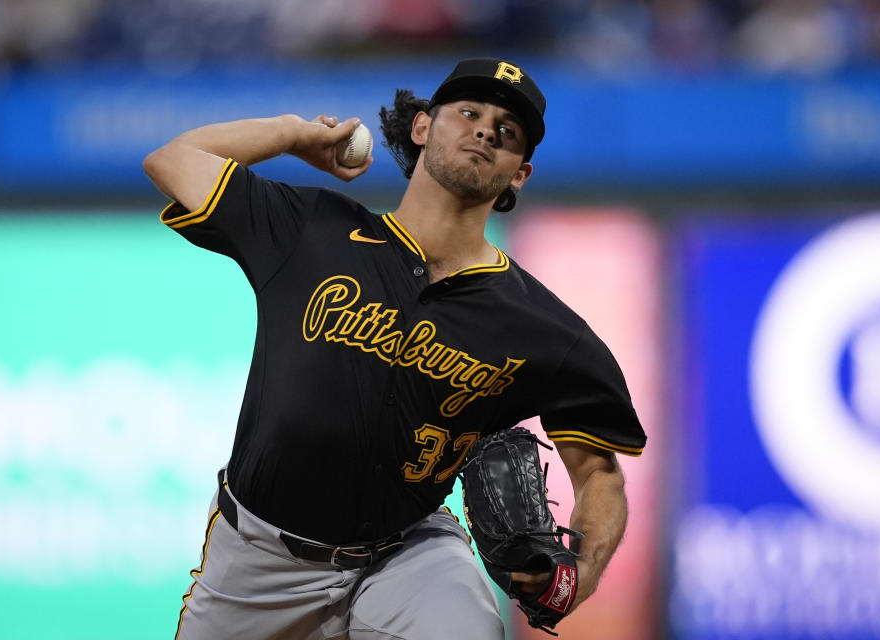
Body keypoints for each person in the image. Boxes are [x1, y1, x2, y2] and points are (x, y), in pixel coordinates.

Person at [143, 57, 646, 640]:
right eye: (469, 113)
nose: (486, 130)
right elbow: (172, 161)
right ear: (423, 127)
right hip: (259, 562)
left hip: (408, 553)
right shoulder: (311, 228)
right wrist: (293, 132)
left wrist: (580, 574)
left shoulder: (545, 328)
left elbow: (599, 473)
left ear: (519, 175)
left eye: (508, 132)